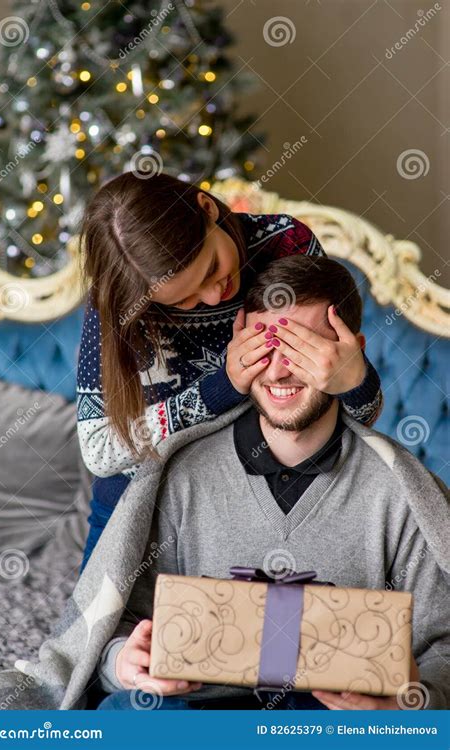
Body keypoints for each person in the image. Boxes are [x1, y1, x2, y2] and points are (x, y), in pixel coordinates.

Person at [94, 256, 449, 711]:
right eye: (266, 347)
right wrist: (121, 660)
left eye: (304, 350)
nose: (279, 371)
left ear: (352, 353)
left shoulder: (401, 492)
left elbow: (443, 648)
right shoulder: (180, 474)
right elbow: (117, 625)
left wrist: (407, 705)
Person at [77, 172, 382, 570]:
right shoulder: (119, 298)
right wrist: (222, 386)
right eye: (182, 300)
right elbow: (100, 451)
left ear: (207, 208)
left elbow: (350, 413)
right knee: (95, 631)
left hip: (248, 504)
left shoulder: (286, 245)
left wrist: (354, 382)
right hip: (136, 504)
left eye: (210, 270)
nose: (211, 296)